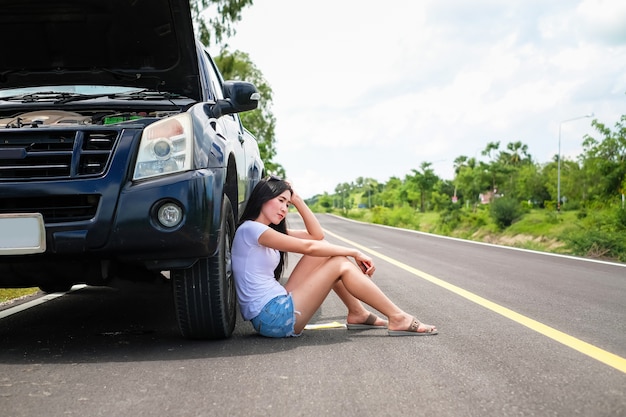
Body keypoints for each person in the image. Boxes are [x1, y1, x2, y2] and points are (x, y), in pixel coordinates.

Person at [232, 175, 438, 338]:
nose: (285, 209)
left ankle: (358, 313)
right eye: (281, 201)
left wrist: (298, 200)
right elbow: (309, 247)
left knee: (327, 250)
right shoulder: (252, 230)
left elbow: (316, 236)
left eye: (288, 204)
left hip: (273, 309)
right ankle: (397, 317)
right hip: (273, 317)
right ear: (263, 198)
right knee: (340, 264)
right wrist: (354, 252)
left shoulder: (265, 231)